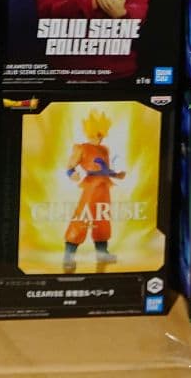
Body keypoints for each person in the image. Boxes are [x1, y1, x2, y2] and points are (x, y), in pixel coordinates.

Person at [63, 109, 126, 272]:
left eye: (101, 134)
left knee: (103, 220)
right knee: (82, 218)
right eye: (96, 134)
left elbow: (105, 169)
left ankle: (102, 253)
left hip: (104, 187)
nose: (100, 137)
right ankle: (69, 255)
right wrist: (71, 173)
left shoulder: (104, 149)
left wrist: (116, 175)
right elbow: (70, 165)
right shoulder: (81, 148)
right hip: (91, 187)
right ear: (89, 132)